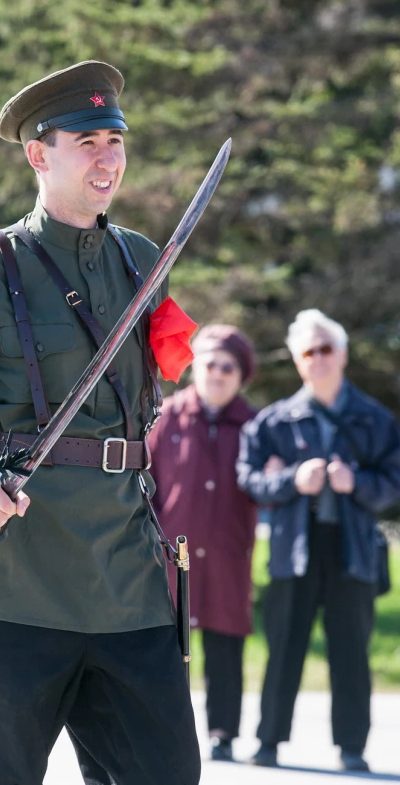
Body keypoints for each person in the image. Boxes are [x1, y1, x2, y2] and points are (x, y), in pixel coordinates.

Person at [0, 61, 201, 785]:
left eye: (115, 140)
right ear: (38, 153)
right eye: (87, 141)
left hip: (127, 583)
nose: (108, 157)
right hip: (12, 580)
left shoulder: (143, 262)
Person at [237, 309, 400, 773]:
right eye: (308, 352)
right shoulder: (274, 421)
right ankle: (268, 743)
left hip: (353, 550)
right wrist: (295, 479)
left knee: (351, 653)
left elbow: (397, 478)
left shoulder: (375, 418)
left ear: (344, 355)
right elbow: (250, 479)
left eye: (326, 349)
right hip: (295, 549)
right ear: (297, 361)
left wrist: (358, 483)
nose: (318, 359)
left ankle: (352, 749)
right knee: (283, 650)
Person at [148, 324, 258, 762]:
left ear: (240, 374)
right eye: (209, 363)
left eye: (227, 366)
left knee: (225, 646)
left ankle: (222, 733)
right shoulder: (166, 416)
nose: (217, 373)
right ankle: (162, 729)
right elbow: (145, 485)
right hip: (172, 557)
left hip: (229, 556)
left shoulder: (253, 424)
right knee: (166, 648)